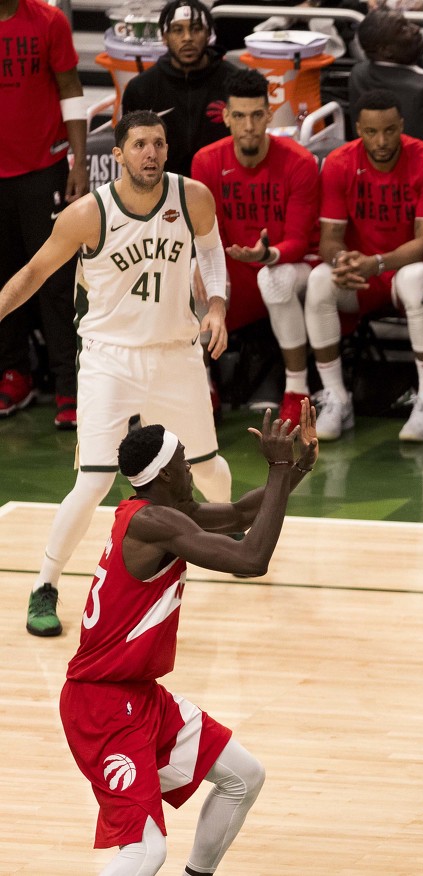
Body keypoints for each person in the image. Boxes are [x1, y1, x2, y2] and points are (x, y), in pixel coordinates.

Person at [1, 110, 234, 638]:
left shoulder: (192, 197)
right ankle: (46, 584)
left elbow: (213, 254)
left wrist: (215, 306)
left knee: (206, 465)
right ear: (120, 154)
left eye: (157, 144)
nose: (150, 153)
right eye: (139, 145)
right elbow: (35, 271)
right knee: (94, 481)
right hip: (109, 357)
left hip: (176, 353)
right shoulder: (88, 214)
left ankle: (232, 537)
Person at [61, 406, 317, 875]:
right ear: (165, 474)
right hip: (101, 708)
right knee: (146, 850)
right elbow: (251, 558)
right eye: (184, 459)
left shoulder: (166, 514)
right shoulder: (153, 524)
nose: (191, 465)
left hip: (138, 697)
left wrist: (296, 467)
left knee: (244, 777)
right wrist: (277, 468)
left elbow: (242, 511)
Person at [307, 89, 423, 443]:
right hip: (363, 272)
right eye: (371, 132)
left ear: (401, 125)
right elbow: (329, 238)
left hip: (409, 267)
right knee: (320, 281)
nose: (381, 140)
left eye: (389, 130)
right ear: (358, 129)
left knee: (415, 279)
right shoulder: (340, 162)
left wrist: (379, 263)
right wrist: (341, 261)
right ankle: (336, 397)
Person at [191, 67, 320, 430]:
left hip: (290, 265)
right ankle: (203, 387)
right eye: (240, 116)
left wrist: (267, 255)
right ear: (227, 117)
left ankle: (296, 391)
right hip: (233, 266)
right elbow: (201, 230)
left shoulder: (299, 161)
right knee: (190, 275)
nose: (248, 125)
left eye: (256, 116)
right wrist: (199, 260)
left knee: (273, 278)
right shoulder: (206, 161)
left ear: (268, 115)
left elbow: (297, 240)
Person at [0, 0, 87, 427]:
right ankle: (15, 373)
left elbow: (70, 88)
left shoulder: (49, 20)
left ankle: (68, 384)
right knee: (3, 275)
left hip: (43, 168)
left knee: (53, 280)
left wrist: (81, 160)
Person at [120, 0, 236, 178]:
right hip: (162, 190)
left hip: (221, 185)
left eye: (196, 29)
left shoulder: (234, 83)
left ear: (208, 35)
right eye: (178, 30)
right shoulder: (141, 89)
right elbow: (130, 154)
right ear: (165, 37)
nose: (187, 38)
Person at [348, 7, 423, 147]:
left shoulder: (358, 74)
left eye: (409, 23)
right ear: (386, 51)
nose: (416, 29)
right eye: (403, 29)